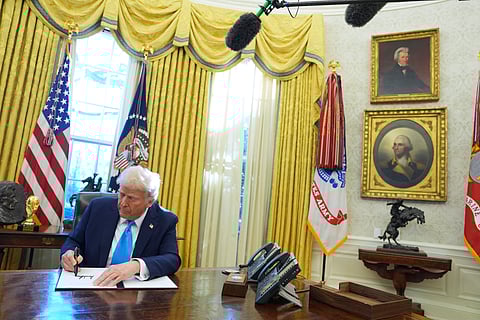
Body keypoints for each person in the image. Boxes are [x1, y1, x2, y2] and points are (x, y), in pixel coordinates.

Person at [61, 165, 181, 287]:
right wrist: (69, 253)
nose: (123, 203)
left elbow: (172, 259)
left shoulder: (165, 220)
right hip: (93, 284)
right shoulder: (97, 208)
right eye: (122, 194)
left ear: (149, 202)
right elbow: (73, 240)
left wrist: (136, 265)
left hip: (137, 293)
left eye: (131, 198)